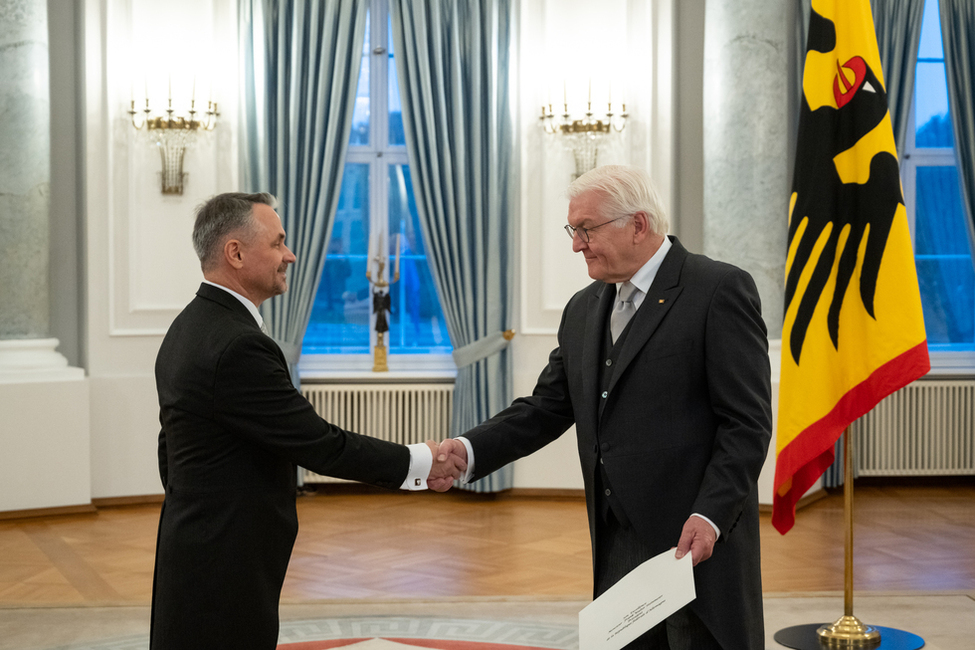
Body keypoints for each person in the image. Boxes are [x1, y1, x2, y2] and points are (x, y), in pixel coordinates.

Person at [439, 166, 772, 650]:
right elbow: (545, 407)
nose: (577, 244)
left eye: (586, 229)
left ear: (638, 225)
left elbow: (746, 423)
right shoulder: (583, 308)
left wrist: (712, 515)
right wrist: (468, 450)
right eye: (573, 230)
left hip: (697, 542)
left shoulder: (717, 290)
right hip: (615, 543)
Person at [151, 192, 464, 650]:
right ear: (235, 253)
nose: (290, 255)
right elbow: (319, 444)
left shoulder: (190, 326)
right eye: (278, 243)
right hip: (225, 558)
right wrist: (421, 461)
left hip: (199, 544)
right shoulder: (238, 346)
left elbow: (170, 451)